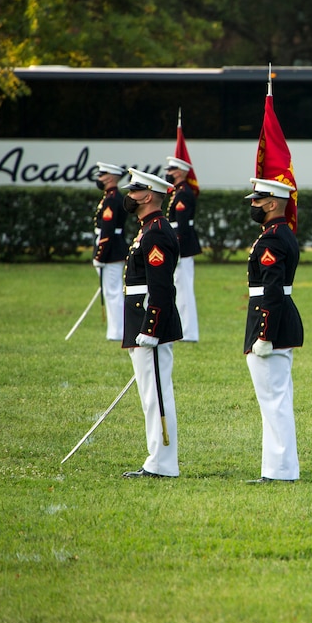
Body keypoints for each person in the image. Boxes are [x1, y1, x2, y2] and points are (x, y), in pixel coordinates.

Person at [121, 168, 183, 478]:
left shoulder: (156, 230)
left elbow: (160, 287)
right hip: (140, 320)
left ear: (147, 196)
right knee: (150, 395)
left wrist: (151, 328)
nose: (129, 196)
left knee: (156, 396)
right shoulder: (149, 228)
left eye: (134, 191)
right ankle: (158, 460)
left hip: (149, 324)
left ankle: (162, 464)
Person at [244, 178, 305, 483]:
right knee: (274, 401)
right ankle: (276, 469)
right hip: (277, 320)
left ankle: (281, 472)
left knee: (274, 401)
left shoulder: (272, 240)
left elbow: (272, 290)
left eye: (257, 200)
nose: (252, 205)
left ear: (271, 204)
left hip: (271, 324)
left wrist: (264, 335)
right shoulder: (282, 233)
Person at [166, 156, 202, 343]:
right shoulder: (178, 192)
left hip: (183, 247)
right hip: (182, 246)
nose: (168, 174)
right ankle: (185, 330)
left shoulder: (183, 193)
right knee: (180, 288)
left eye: (171, 171)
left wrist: (177, 250)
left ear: (179, 172)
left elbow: (182, 226)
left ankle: (188, 332)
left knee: (184, 289)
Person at [92, 162, 129, 341]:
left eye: (103, 175)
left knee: (113, 292)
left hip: (112, 250)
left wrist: (100, 255)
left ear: (112, 178)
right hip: (112, 248)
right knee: (110, 291)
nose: (99, 179)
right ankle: (115, 331)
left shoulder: (112, 199)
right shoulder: (110, 197)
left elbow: (107, 230)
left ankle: (118, 332)